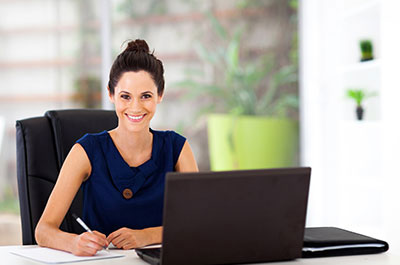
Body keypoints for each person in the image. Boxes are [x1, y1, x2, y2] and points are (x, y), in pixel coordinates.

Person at [35, 39, 199, 256]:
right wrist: (73, 243)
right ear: (111, 95)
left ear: (160, 95)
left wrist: (146, 236)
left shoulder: (177, 148)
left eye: (146, 96)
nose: (135, 107)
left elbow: (197, 224)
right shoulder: (86, 151)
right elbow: (43, 230)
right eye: (125, 96)